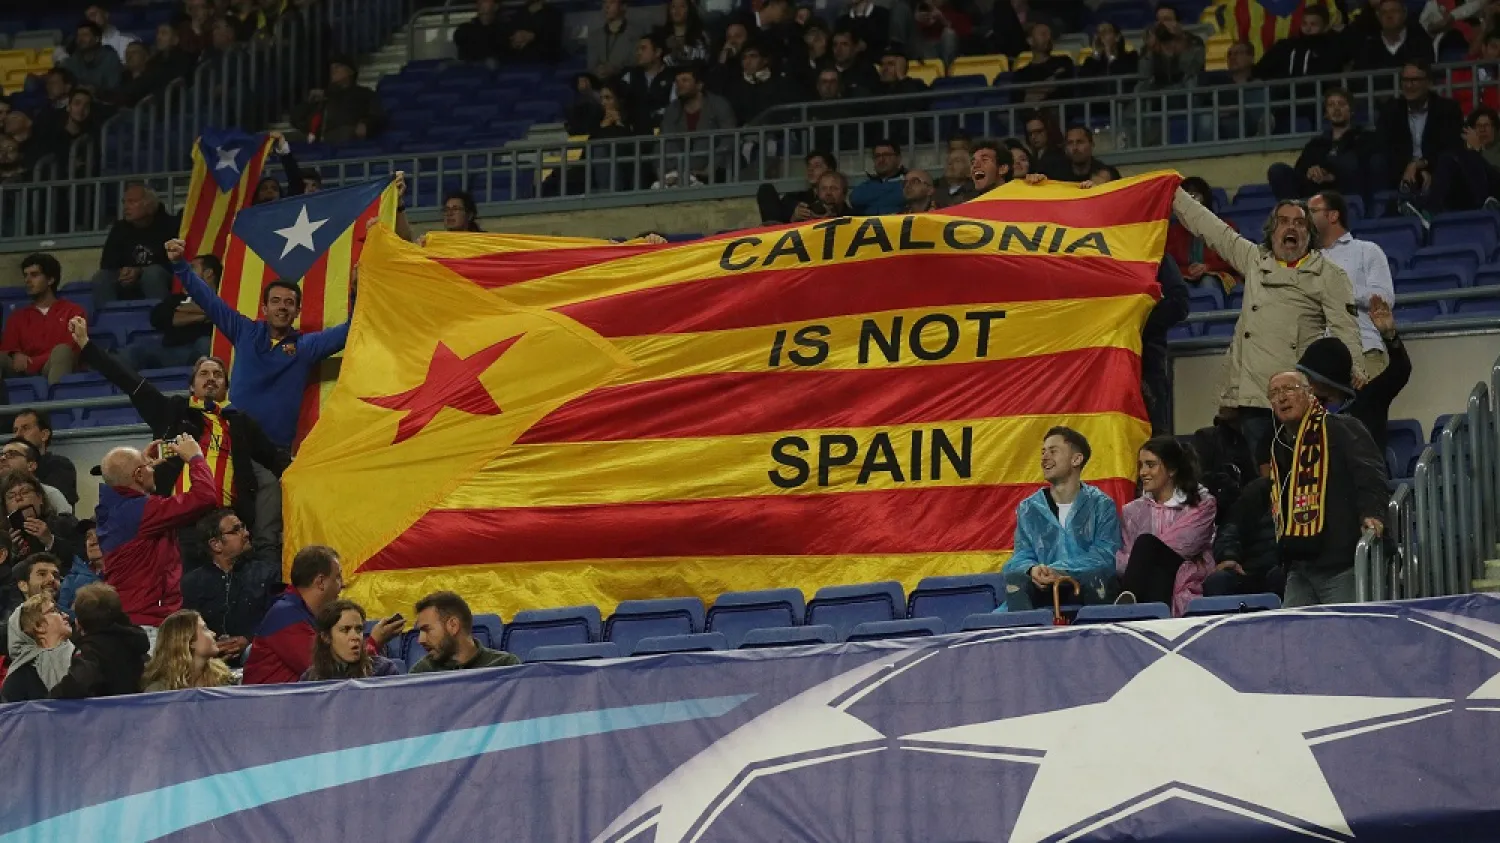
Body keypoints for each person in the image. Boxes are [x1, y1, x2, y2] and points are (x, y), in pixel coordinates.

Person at [1166, 190, 1366, 460]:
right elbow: (1211, 228)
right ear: (1272, 231)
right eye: (1283, 221)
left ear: (1309, 234)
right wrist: (1173, 192)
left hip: (1292, 396)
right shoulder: (1254, 260)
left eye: (1299, 222)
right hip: (1249, 395)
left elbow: (1346, 328)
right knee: (1256, 481)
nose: (1291, 227)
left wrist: (1355, 365)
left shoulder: (1330, 275)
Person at [72, 318, 288, 547]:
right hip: (182, 521)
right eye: (204, 373)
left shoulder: (241, 423)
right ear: (192, 386)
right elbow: (130, 381)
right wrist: (87, 345)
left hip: (230, 523)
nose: (211, 378)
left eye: (218, 374)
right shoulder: (173, 413)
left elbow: (275, 459)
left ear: (226, 388)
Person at [167, 238, 351, 450]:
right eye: (275, 301)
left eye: (289, 303)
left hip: (275, 452)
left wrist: (359, 287)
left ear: (297, 312)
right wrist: (180, 265)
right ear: (264, 309)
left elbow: (351, 329)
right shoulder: (244, 331)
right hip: (233, 444)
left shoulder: (306, 347)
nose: (282, 307)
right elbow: (208, 299)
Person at [1266, 371, 1388, 606]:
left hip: (1341, 561)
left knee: (1344, 635)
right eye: (1274, 393)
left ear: (1309, 394)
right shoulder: (1278, 445)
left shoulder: (1341, 427)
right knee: (1295, 638)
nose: (1281, 398)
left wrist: (1373, 513)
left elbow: (1370, 474)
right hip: (1299, 564)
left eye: (1289, 389)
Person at [95, 435, 217, 639]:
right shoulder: (140, 512)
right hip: (148, 625)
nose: (154, 469)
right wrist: (195, 459)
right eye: (147, 467)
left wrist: (141, 465)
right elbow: (204, 497)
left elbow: (133, 490)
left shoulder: (113, 508)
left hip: (132, 618)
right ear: (138, 475)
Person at [1001, 427, 1123, 610]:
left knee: (1097, 575)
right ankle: (1026, 634)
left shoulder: (1101, 505)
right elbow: (1021, 555)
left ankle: (1098, 635)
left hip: (1087, 586)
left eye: (1053, 451)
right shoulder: (1029, 508)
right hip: (1043, 586)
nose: (1044, 458)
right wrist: (1032, 570)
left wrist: (1060, 570)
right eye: (1043, 452)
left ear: (1076, 459)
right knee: (1015, 579)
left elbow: (1105, 555)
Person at [243, 545, 401, 684]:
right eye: (337, 577)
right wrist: (374, 642)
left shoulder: (306, 613)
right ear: (320, 582)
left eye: (358, 630)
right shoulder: (285, 615)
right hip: (268, 711)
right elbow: (330, 673)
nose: (343, 584)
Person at [1114, 437, 1218, 614]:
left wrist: (1142, 558)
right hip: (1146, 583)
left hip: (1187, 578)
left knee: (1147, 544)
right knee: (1152, 568)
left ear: (1171, 469)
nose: (1143, 472)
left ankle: (1127, 606)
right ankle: (1137, 609)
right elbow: (1124, 558)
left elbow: (1182, 546)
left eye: (1150, 465)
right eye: (1141, 465)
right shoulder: (1133, 511)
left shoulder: (1201, 505)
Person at [1296, 296, 1411, 455]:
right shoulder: (1302, 408)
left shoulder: (1368, 400)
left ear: (1329, 381)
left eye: (1312, 377)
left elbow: (1401, 369)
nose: (1307, 383)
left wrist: (1390, 336)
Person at [1309, 190, 1395, 377]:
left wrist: (1338, 291)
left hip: (1363, 350)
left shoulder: (1367, 250)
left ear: (1333, 215)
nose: (1304, 218)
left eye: (1312, 211)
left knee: (1368, 406)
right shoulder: (1306, 260)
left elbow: (1385, 299)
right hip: (1317, 359)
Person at [180, 508, 281, 664]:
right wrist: (211, 646)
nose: (246, 534)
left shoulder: (267, 574)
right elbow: (186, 631)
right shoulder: (193, 583)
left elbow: (277, 621)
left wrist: (248, 639)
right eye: (236, 530)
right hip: (208, 662)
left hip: (256, 658)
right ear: (216, 544)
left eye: (244, 527)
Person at [1378, 62, 1464, 216]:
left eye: (1415, 80)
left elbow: (1451, 146)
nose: (1409, 85)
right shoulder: (1390, 111)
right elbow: (1386, 147)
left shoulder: (1448, 109)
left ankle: (1428, 214)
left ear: (1429, 82)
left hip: (1437, 169)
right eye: (1405, 80)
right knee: (1377, 161)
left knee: (1448, 161)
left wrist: (1422, 165)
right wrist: (1412, 167)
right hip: (1402, 171)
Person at [1268, 88, 1381, 205]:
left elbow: (1364, 170)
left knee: (1349, 162)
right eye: (1331, 105)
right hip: (1314, 193)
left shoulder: (1364, 138)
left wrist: (1332, 175)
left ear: (1351, 111)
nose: (1336, 109)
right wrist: (1310, 172)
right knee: (1277, 170)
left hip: (1344, 193)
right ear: (1326, 113)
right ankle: (1296, 213)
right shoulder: (1316, 143)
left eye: (1341, 104)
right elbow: (1300, 170)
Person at [1203, 438, 1284, 598]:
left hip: (1285, 572)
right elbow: (1230, 529)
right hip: (1249, 571)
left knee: (1282, 577)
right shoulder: (1260, 490)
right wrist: (1228, 557)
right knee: (1218, 581)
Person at [48, 582, 151, 698]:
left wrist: (50, 699)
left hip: (106, 713)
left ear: (79, 623)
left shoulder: (91, 650)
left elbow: (77, 683)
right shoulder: (134, 640)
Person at [92, 184, 179, 309]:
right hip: (126, 280)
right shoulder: (119, 229)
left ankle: (162, 315)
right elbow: (107, 264)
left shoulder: (171, 225)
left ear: (149, 204)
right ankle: (108, 320)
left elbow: (175, 263)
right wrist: (122, 272)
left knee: (153, 273)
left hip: (162, 278)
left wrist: (140, 271)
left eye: (132, 202)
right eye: (124, 202)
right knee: (101, 277)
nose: (126, 207)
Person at [2, 254, 85, 384]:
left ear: (50, 279)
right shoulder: (17, 317)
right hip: (21, 370)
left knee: (62, 351)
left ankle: (56, 402)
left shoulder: (73, 311)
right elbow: (7, 348)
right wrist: (15, 354)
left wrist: (33, 363)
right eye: (26, 275)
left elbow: (72, 348)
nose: (27, 280)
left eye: (34, 275)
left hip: (52, 364)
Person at [409, 591, 521, 672]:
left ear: (453, 625)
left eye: (426, 629)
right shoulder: (421, 673)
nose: (420, 640)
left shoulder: (505, 666)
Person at [141, 254, 219, 370]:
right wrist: (206, 315)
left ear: (208, 273)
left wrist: (185, 312)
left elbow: (222, 316)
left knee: (205, 343)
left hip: (201, 353)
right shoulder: (177, 298)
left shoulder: (221, 299)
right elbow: (157, 317)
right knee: (134, 351)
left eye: (192, 268)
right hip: (169, 352)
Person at [301, 598, 405, 681]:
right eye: (345, 630)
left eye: (359, 629)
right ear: (326, 637)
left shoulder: (384, 671)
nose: (355, 636)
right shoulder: (310, 679)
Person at [292, 56, 385, 145]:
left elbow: (377, 115)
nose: (333, 70)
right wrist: (310, 101)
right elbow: (296, 119)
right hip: (321, 144)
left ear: (350, 71)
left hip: (349, 142)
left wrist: (366, 124)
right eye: (331, 68)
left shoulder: (364, 93)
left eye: (338, 67)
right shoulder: (324, 97)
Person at [1166, 177, 1239, 290]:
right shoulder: (1174, 232)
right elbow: (1168, 265)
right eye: (1184, 197)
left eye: (1194, 196)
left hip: (1216, 275)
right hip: (1185, 277)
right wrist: (1187, 271)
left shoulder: (1223, 227)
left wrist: (1208, 267)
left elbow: (1236, 260)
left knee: (1207, 282)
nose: (1189, 202)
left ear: (1205, 199)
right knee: (1180, 287)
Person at [1, 593, 74, 703]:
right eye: (54, 610)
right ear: (38, 626)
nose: (65, 615)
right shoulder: (18, 680)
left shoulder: (84, 660)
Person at [141, 608, 234, 691]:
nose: (213, 634)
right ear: (189, 641)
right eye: (205, 628)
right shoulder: (158, 691)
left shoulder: (222, 678)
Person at [3, 472, 79, 563]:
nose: (18, 498)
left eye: (25, 492)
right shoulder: (4, 540)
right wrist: (13, 554)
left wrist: (50, 541)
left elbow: (82, 560)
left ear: (40, 498)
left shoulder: (65, 524)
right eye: (11, 496)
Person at [1255, 4, 1343, 79]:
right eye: (1304, 23)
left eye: (1313, 24)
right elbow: (1261, 70)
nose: (1307, 29)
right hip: (1283, 97)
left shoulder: (1331, 48)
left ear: (1325, 27)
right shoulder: (1285, 46)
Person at [0, 552, 64, 654]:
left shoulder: (71, 624)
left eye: (56, 575)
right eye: (42, 574)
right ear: (23, 586)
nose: (52, 579)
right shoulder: (6, 634)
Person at [1138, 3, 1204, 92]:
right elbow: (1144, 75)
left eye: (1167, 19)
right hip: (1158, 94)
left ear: (1178, 24)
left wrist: (1179, 41)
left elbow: (1190, 69)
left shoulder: (1193, 41)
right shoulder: (1150, 46)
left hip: (1185, 92)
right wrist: (1151, 49)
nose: (1161, 24)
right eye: (1158, 20)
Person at [1353, 0, 1435, 70]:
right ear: (1378, 16)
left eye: (1394, 11)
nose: (1389, 16)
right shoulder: (1368, 46)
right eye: (1384, 12)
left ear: (1404, 13)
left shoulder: (1420, 41)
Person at [757, 150, 835, 223]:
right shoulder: (793, 199)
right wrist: (794, 218)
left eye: (817, 166)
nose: (810, 169)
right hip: (790, 234)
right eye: (809, 166)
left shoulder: (837, 197)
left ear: (830, 170)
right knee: (766, 190)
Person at [1, 439, 74, 515]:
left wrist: (47, 527)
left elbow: (68, 523)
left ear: (31, 466)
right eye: (2, 455)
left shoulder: (50, 494)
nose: (2, 458)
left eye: (11, 455)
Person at [620, 33, 675, 131]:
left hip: (664, 132)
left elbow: (674, 108)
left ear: (658, 52)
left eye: (643, 48)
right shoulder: (629, 76)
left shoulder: (672, 77)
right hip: (635, 134)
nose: (638, 53)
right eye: (637, 49)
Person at [1012, 22, 1075, 103]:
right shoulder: (1021, 74)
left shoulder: (1064, 62)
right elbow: (1018, 102)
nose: (1048, 37)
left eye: (1049, 34)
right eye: (1043, 34)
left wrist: (1035, 92)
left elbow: (1066, 92)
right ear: (1030, 41)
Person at [59, 21, 124, 95]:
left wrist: (96, 90)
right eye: (78, 35)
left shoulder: (110, 58)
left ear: (97, 39)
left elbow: (115, 89)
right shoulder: (72, 60)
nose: (80, 39)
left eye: (85, 35)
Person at [1079, 20, 1138, 96]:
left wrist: (1110, 54)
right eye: (1099, 34)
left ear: (1117, 37)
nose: (1102, 37)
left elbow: (1122, 74)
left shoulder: (1131, 56)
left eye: (1106, 33)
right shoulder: (1091, 60)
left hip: (1122, 100)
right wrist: (1096, 54)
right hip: (1097, 102)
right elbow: (1084, 82)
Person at [57, 520, 103, 616]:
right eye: (88, 536)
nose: (91, 541)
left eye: (98, 534)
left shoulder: (125, 573)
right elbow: (60, 613)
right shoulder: (71, 579)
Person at [850, 139, 907, 215]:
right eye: (877, 156)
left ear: (898, 158)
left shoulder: (908, 181)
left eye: (886, 155)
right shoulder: (866, 185)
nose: (881, 159)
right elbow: (855, 199)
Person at [589, 0, 643, 78]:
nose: (606, 6)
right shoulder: (594, 36)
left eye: (611, 2)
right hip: (601, 85)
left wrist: (615, 70)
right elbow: (591, 66)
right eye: (604, 2)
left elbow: (636, 62)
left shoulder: (636, 33)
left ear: (623, 6)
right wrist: (598, 70)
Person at [655, 0, 711, 67]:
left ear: (689, 10)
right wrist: (674, 53)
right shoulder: (661, 35)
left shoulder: (699, 33)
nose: (677, 10)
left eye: (682, 6)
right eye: (673, 6)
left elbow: (705, 57)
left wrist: (682, 48)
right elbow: (658, 64)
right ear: (669, 11)